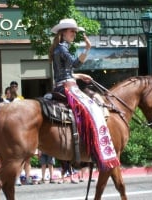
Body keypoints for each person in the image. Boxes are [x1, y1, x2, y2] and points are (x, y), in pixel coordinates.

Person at [49, 18, 119, 170]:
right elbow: (75, 64)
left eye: (75, 31)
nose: (74, 34)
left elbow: (66, 71)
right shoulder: (62, 48)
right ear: (63, 32)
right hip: (67, 87)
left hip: (65, 83)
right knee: (93, 108)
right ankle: (95, 147)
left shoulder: (60, 48)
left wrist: (79, 76)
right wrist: (87, 49)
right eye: (72, 31)